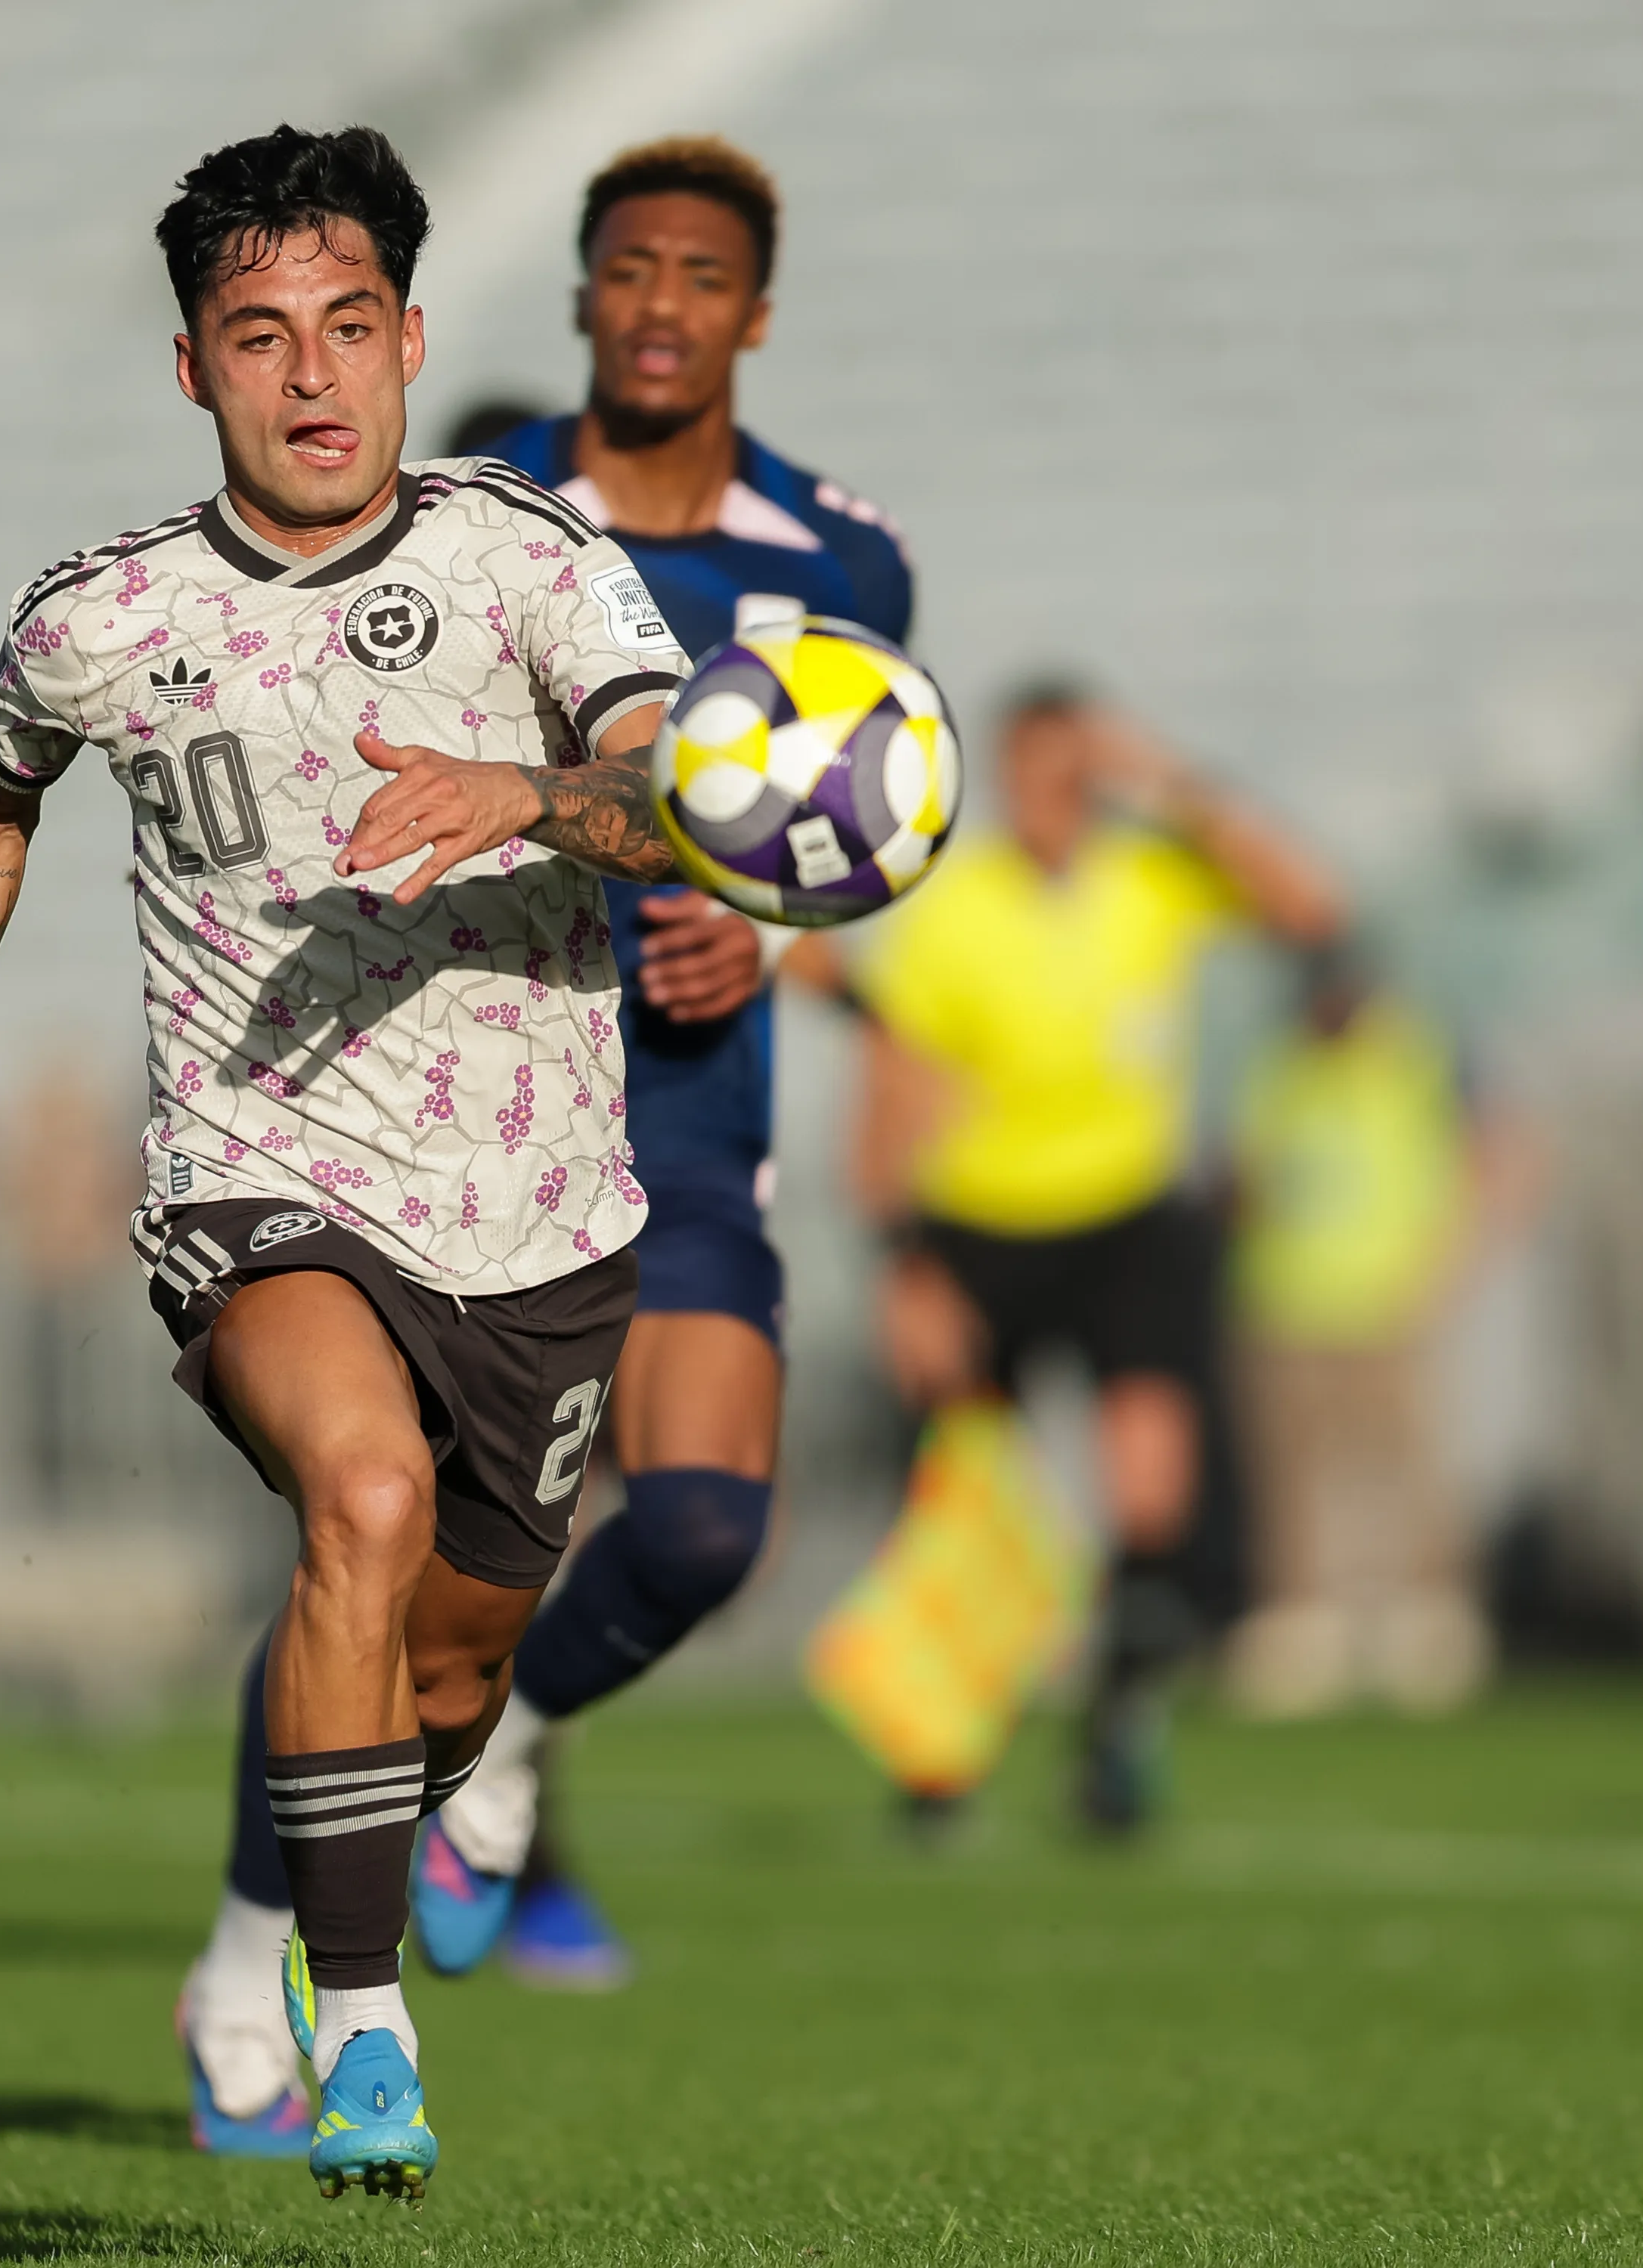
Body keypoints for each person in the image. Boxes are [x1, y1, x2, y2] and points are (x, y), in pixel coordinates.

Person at [0, 124, 688, 2201]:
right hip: (257, 1180)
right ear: (192, 369)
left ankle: (270, 1922)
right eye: (255, 337)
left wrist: (521, 791)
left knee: (452, 1661)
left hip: (543, 1217)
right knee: (359, 1493)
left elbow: (675, 808)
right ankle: (360, 2027)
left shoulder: (530, 561)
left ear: (406, 340)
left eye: (345, 330)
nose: (309, 380)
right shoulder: (106, 618)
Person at [392, 135, 913, 1991]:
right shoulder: (459, 521)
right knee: (417, 1560)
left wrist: (759, 930)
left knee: (693, 1524)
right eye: (629, 270)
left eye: (702, 278)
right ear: (584, 294)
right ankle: (258, 1967)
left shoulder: (838, 558)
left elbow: (866, 836)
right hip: (462, 1111)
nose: (662, 308)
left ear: (750, 312)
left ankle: (504, 1759)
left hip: (682, 1116)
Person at [809, 683, 1341, 1833]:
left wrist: (1172, 782)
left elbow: (1310, 906)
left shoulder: (1153, 877)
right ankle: (939, 1753)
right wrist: (903, 1262)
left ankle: (1117, 1728)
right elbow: (892, 1083)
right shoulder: (959, 911)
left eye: (1075, 770)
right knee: (963, 1506)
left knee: (1153, 1486)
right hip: (978, 1230)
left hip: (1126, 1222)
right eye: (1033, 770)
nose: (1054, 794)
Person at [1220, 942, 1514, 1718]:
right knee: (1293, 1466)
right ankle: (1303, 1620)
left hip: (1388, 1297)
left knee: (1406, 1462)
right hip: (1286, 1294)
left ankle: (1426, 1618)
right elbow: (1249, 1169)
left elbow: (1500, 1151)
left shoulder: (1420, 1053)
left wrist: (1452, 1261)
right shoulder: (1280, 1063)